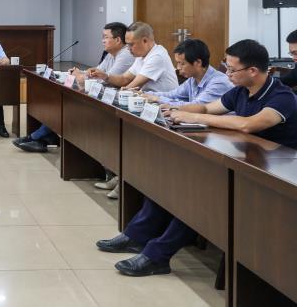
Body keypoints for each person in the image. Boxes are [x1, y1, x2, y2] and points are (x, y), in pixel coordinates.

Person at [98, 39, 297, 277]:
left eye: (232, 70)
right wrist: (174, 110)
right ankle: (136, 236)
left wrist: (195, 118)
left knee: (198, 195)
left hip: (273, 176)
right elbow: (206, 109)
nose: (228, 74)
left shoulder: (282, 96)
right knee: (171, 181)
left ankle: (157, 256)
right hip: (242, 160)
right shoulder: (240, 91)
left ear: (253, 71)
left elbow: (248, 125)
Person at [15, 22, 135, 153]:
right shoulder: (111, 54)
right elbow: (97, 73)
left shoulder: (125, 55)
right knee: (61, 102)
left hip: (115, 100)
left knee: (68, 105)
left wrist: (82, 77)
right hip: (103, 95)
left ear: (118, 40)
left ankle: (37, 137)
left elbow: (107, 80)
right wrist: (81, 73)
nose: (102, 41)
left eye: (106, 37)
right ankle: (42, 138)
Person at [90, 21, 178, 93]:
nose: (128, 48)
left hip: (164, 103)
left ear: (145, 41)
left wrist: (119, 93)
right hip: (150, 100)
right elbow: (125, 79)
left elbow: (133, 86)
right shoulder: (141, 55)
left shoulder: (157, 56)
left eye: (131, 44)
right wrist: (105, 76)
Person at [141, 39, 232, 107]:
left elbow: (196, 106)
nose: (178, 68)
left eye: (182, 63)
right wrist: (144, 94)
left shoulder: (219, 82)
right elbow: (172, 94)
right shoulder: (193, 79)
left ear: (198, 63)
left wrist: (158, 99)